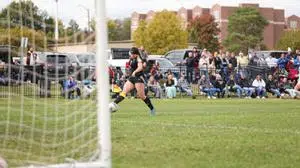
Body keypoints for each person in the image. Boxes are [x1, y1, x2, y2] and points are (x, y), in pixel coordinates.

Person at [109, 47, 155, 115]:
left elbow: (140, 67)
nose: (130, 55)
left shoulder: (139, 59)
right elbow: (130, 68)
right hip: (131, 78)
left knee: (142, 96)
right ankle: (113, 104)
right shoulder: (132, 59)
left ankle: (152, 109)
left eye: (131, 54)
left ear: (135, 54)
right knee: (124, 92)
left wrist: (135, 72)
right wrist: (125, 75)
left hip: (138, 78)